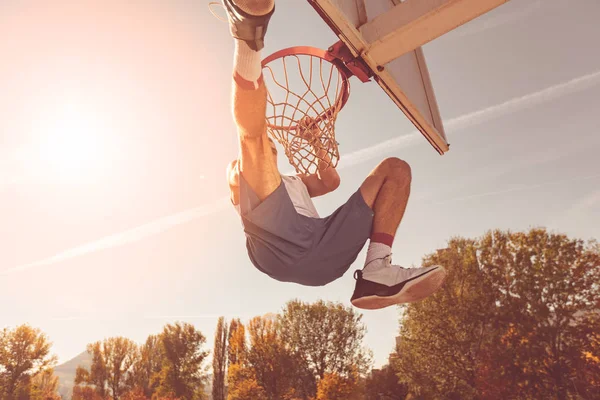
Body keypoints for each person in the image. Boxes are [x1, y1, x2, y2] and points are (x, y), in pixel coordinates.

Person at [223, 0, 446, 309]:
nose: (271, 147)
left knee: (396, 170)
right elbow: (250, 136)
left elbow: (329, 182)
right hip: (277, 241)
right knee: (251, 136)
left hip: (324, 254)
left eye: (274, 147)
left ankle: (376, 270)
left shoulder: (293, 183)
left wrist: (316, 142)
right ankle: (248, 34)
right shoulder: (256, 182)